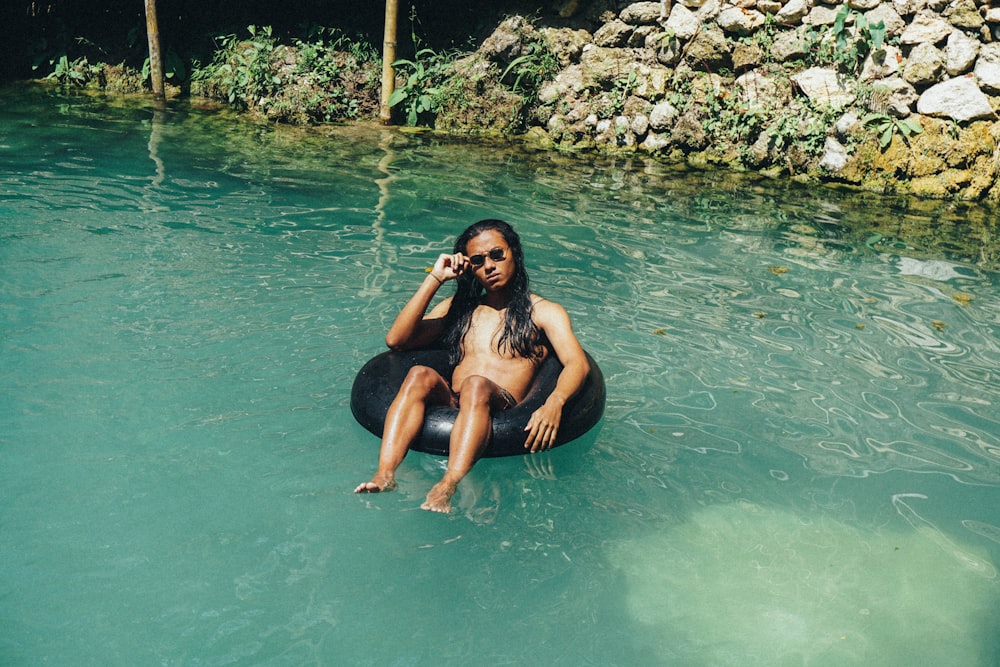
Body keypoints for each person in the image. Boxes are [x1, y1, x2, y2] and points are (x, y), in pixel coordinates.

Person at [354, 219, 590, 513]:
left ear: (514, 253)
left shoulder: (543, 312)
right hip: (455, 399)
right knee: (418, 374)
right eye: (478, 261)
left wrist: (555, 402)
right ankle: (385, 474)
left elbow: (576, 363)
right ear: (469, 268)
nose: (489, 266)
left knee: (475, 384)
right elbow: (397, 340)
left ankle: (448, 484)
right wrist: (436, 278)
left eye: (497, 254)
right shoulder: (462, 309)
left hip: (500, 403)